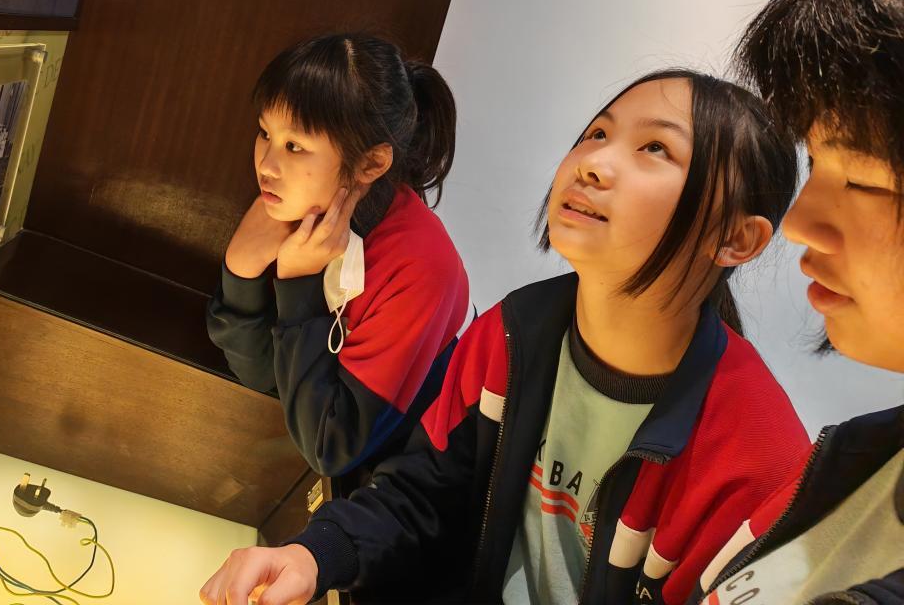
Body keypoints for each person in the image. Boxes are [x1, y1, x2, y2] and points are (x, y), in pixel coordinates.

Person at [201, 70, 810, 605]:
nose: (593, 162)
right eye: (597, 133)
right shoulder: (515, 332)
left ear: (736, 239)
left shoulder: (757, 461)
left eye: (655, 148)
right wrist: (313, 555)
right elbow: (422, 491)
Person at [692, 0, 904, 602]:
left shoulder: (741, 421)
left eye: (863, 177)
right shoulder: (855, 457)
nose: (798, 222)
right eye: (816, 162)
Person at [207, 34, 471, 479]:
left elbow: (331, 447)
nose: (266, 165)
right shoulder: (301, 205)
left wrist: (298, 285)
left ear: (371, 165)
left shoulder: (422, 266)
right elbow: (263, 377)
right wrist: (241, 269)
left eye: (295, 146)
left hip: (407, 483)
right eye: (265, 133)